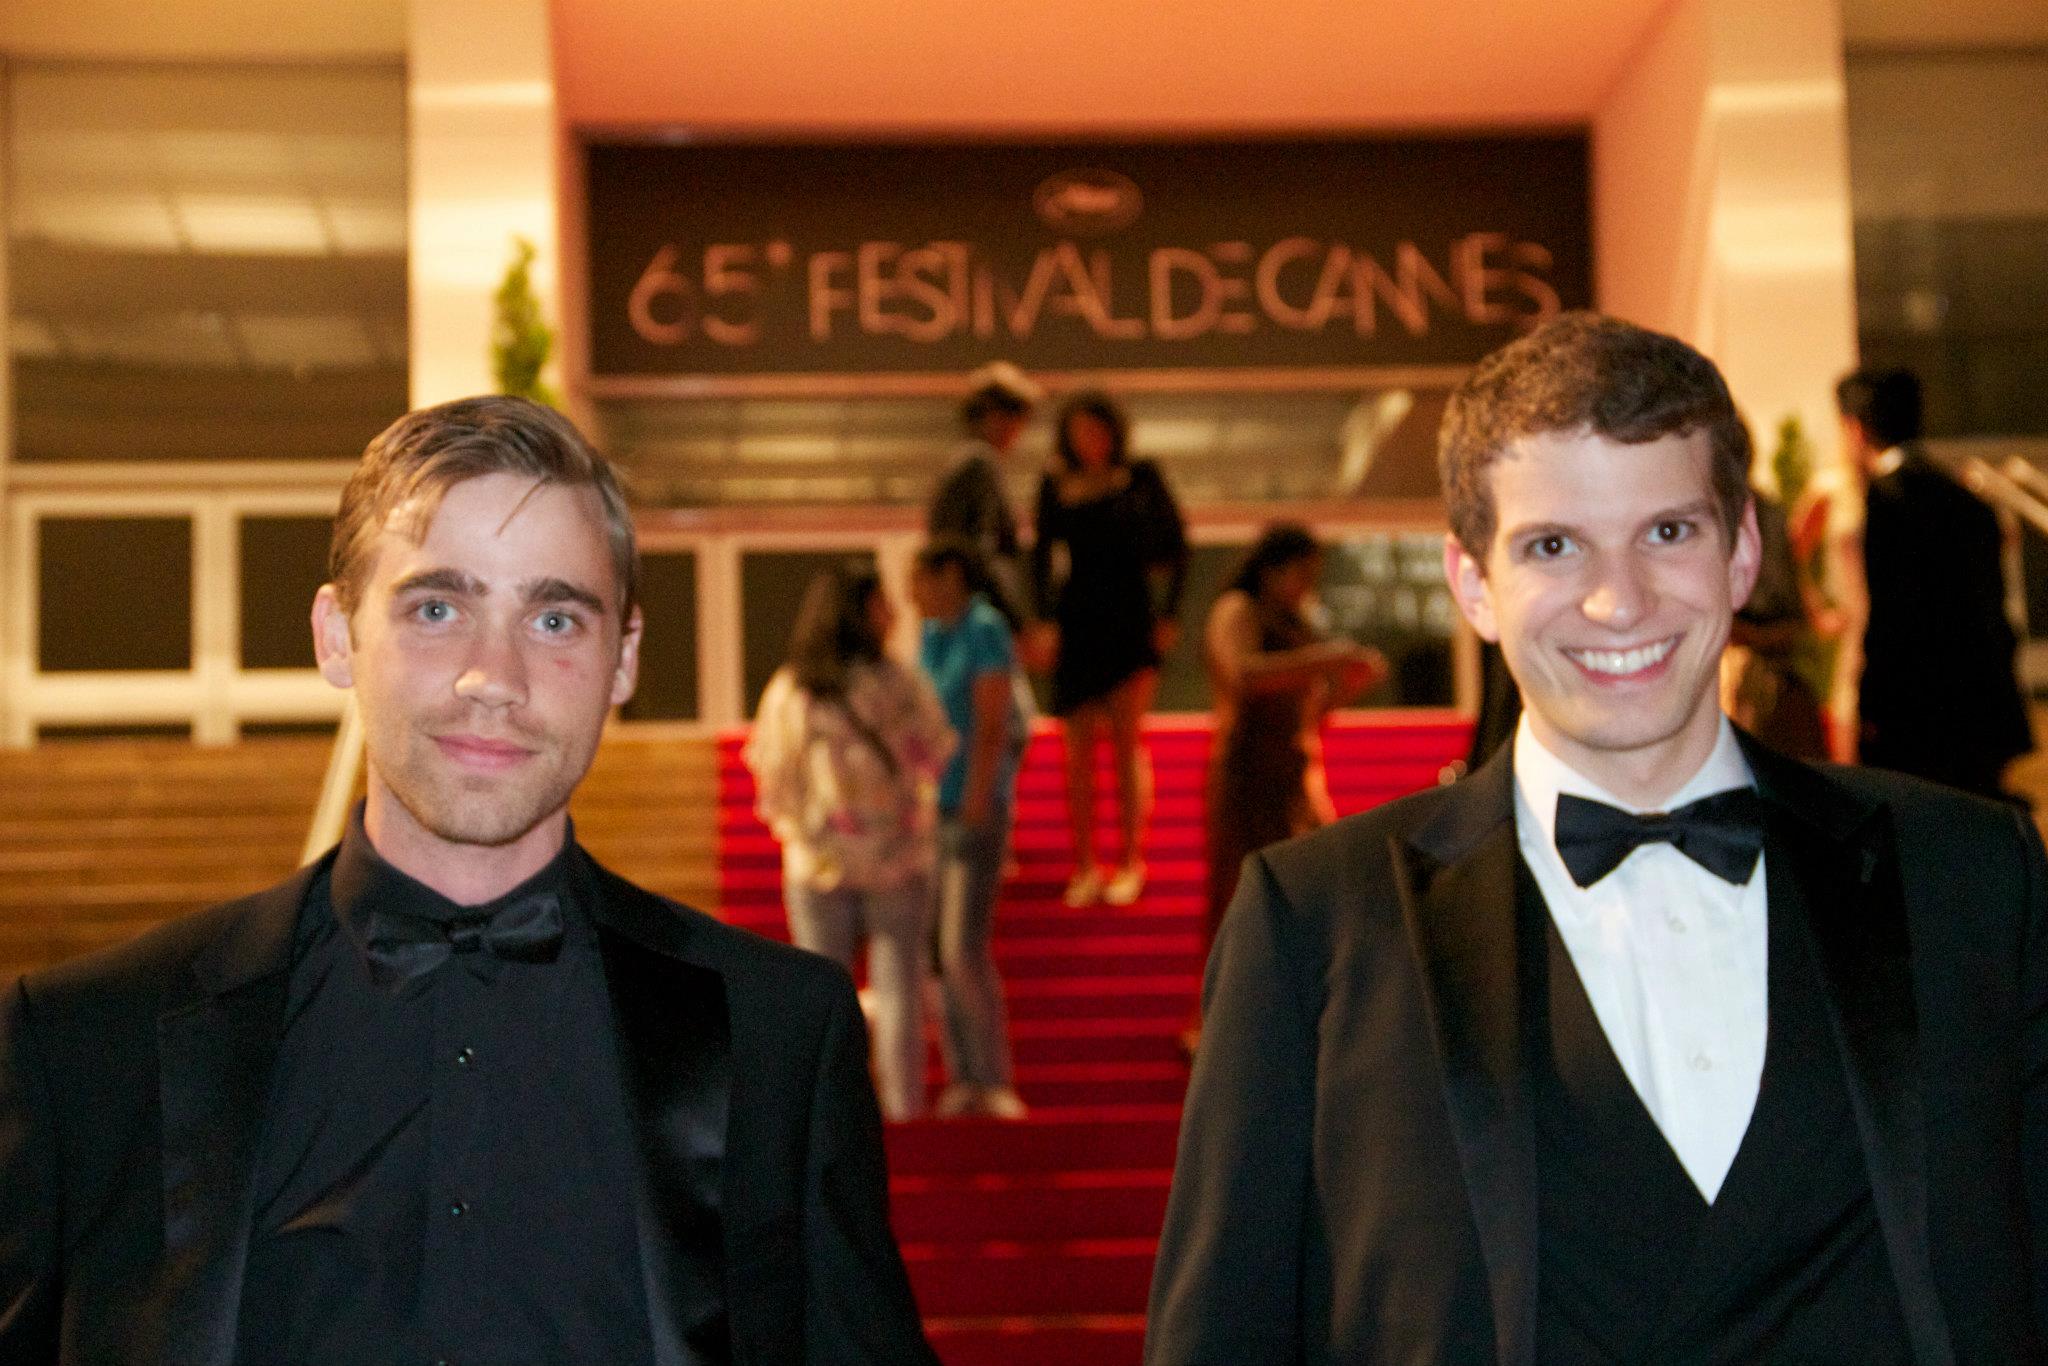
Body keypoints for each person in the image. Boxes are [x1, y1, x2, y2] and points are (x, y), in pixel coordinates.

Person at [1148, 315, 2047, 1364]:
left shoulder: (1969, 875)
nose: (1617, 600)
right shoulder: (1314, 925)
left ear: (1742, 553)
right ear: (1472, 584)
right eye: (1551, 545)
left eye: (1667, 532)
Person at [0, 396, 940, 1366]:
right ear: (336, 636)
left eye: (554, 615)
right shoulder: (87, 1048)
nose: (493, 674)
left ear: (621, 659)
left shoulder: (781, 1036)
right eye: (437, 606)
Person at [744, 562, 954, 1122]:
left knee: (821, 996)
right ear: (859, 611)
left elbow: (774, 775)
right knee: (901, 989)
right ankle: (903, 1112)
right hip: (898, 859)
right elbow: (933, 753)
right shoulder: (899, 683)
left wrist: (807, 830)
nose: (892, 613)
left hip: (819, 863)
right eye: (882, 602)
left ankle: (832, 1116)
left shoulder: (793, 689)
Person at [1838, 366, 2031, 798]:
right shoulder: (1968, 500)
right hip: (1982, 704)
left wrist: (1871, 704)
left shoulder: (1887, 497)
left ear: (1855, 430)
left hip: (1917, 713)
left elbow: (1891, 614)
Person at [1031, 391, 1189, 907]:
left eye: (1098, 431)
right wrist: (1044, 622)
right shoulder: (1053, 484)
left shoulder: (1142, 476)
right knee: (1076, 750)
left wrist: (1168, 614)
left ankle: (1129, 859)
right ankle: (1084, 866)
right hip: (1078, 618)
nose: (1090, 442)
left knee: (1126, 741)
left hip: (1129, 617)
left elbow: (1178, 545)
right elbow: (1040, 558)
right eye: (1080, 432)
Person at [1200, 522, 1384, 952]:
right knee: (1243, 898)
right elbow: (1243, 675)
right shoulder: (1237, 610)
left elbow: (1308, 713)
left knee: (1311, 892)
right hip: (1246, 773)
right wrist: (1329, 658)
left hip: (1294, 773)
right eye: (1301, 576)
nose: (1306, 588)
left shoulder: (1292, 622)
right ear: (1271, 571)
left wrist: (1347, 685)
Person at [910, 538, 1029, 1120]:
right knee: (937, 951)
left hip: (976, 804)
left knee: (963, 946)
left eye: (921, 580)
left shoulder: (984, 629)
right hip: (936, 805)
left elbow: (991, 719)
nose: (913, 595)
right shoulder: (930, 636)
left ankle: (994, 1076)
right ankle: (964, 1076)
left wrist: (980, 796)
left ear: (950, 574)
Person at [927, 360, 1042, 630]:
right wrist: (1016, 619)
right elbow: (983, 551)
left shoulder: (958, 463)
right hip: (977, 617)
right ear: (997, 417)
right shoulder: (980, 463)